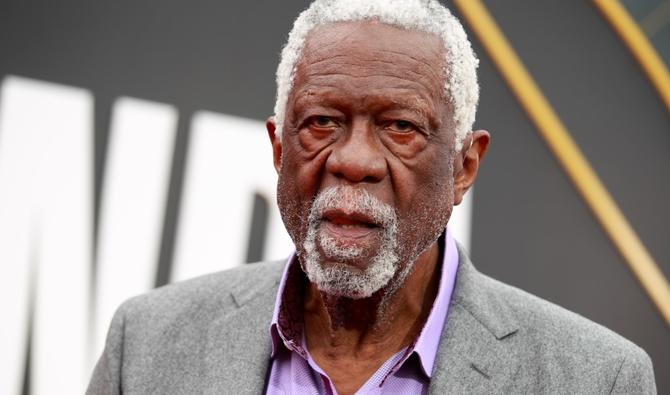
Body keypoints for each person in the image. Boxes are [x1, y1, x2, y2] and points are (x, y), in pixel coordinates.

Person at [87, 1, 657, 394]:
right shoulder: (148, 344)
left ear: (464, 167)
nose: (352, 160)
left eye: (400, 127)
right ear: (279, 148)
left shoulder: (596, 379)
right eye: (321, 121)